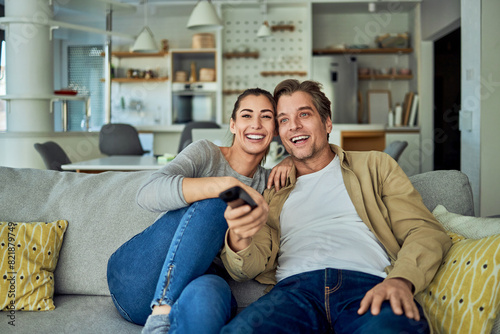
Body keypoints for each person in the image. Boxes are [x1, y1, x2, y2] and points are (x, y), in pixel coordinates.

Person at [220, 79, 452, 333]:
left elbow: (423, 230)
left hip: (368, 286)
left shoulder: (375, 166)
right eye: (283, 120)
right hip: (294, 293)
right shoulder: (272, 189)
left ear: (327, 122)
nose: (294, 126)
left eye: (304, 114)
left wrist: (402, 280)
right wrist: (240, 235)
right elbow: (247, 269)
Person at [106, 88, 291, 334]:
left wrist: (293, 160)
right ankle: (161, 314)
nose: (256, 124)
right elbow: (147, 192)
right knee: (218, 203)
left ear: (275, 129)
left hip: (194, 288)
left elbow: (319, 153)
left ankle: (166, 319)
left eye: (266, 116)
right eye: (247, 115)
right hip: (138, 279)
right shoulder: (206, 153)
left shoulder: (268, 184)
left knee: (211, 294)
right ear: (233, 125)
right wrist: (224, 185)